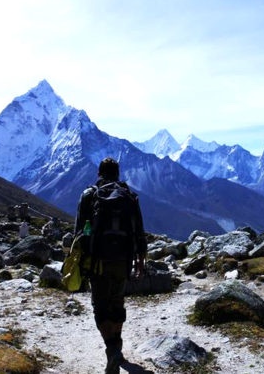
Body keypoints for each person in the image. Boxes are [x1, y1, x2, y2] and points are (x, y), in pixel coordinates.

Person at [75, 157, 147, 374]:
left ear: (99, 173)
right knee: (117, 303)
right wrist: (141, 258)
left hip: (98, 260)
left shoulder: (89, 195)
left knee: (100, 306)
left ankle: (112, 349)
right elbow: (139, 228)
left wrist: (79, 260)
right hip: (124, 259)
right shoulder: (129, 196)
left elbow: (80, 230)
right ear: (118, 173)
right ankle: (117, 344)